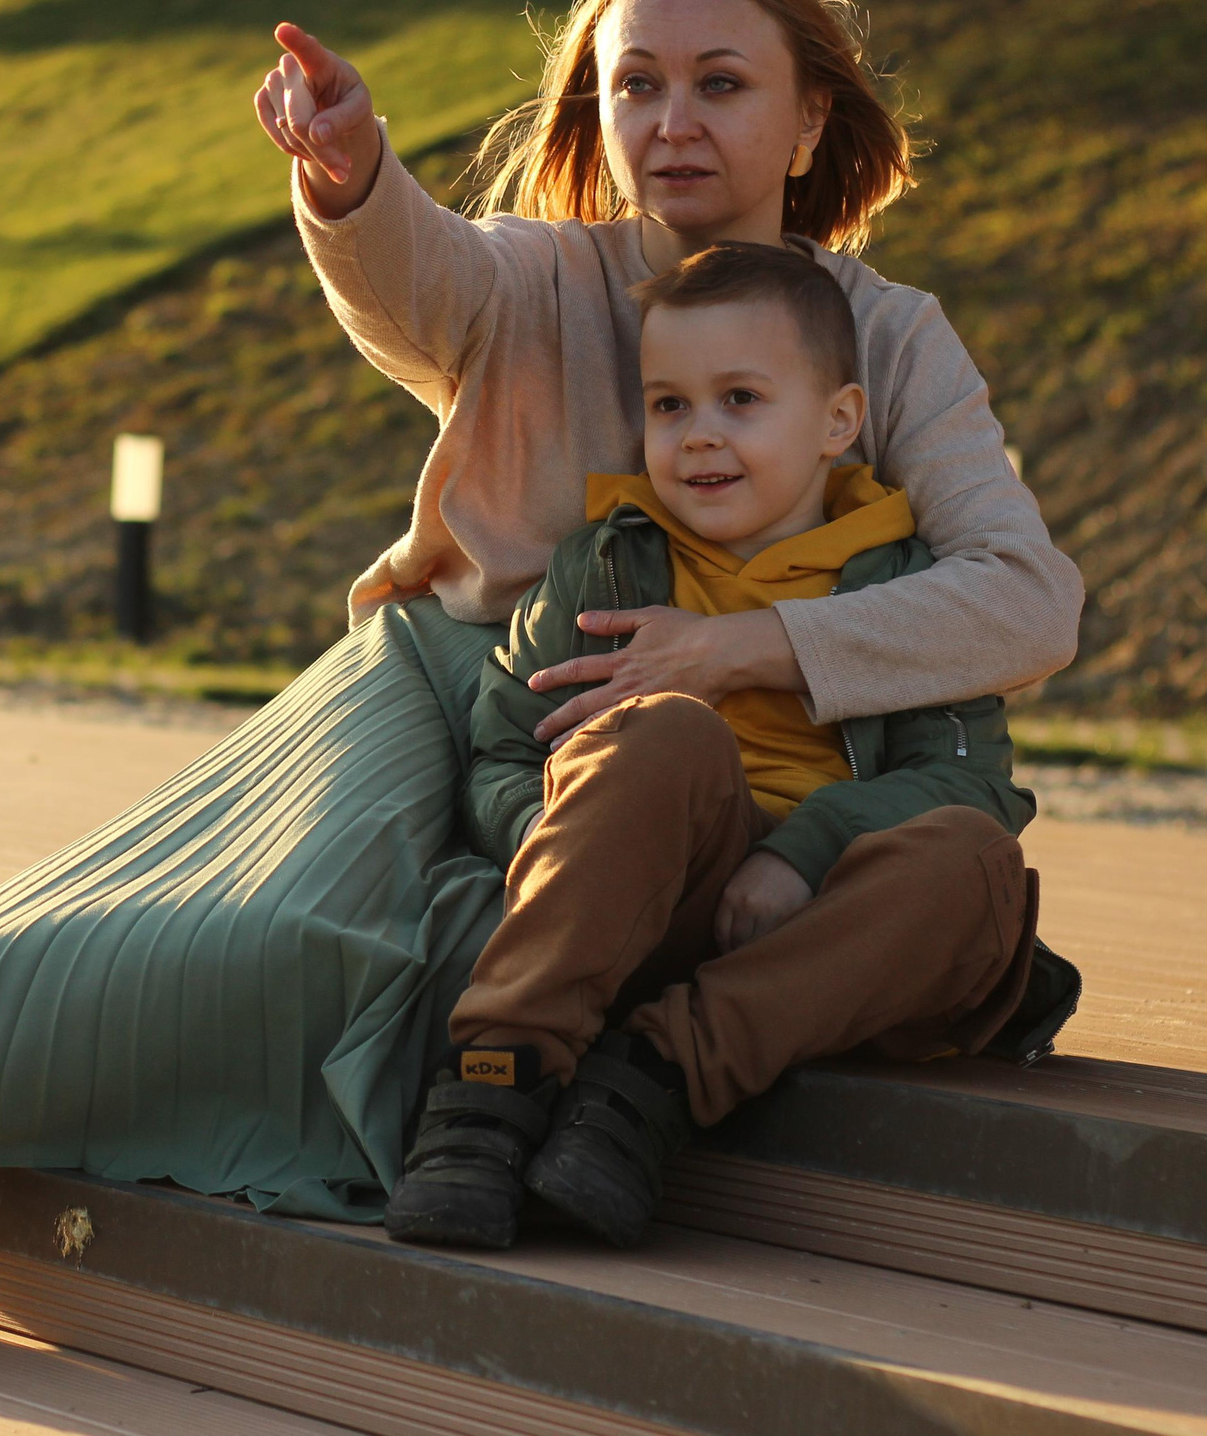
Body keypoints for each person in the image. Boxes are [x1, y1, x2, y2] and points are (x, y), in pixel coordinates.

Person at [0, 0, 1083, 1332]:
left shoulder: (886, 335)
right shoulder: (539, 272)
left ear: (811, 121)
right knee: (221, 913)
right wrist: (353, 175)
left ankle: (532, 1096)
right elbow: (418, 274)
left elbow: (1024, 595)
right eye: (635, 82)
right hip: (459, 685)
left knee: (393, 942)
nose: (672, 119)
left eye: (720, 82)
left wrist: (746, 652)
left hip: (686, 756)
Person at [381, 240, 1056, 1253]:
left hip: (831, 932)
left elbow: (970, 785)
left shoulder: (900, 584)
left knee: (974, 866)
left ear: (838, 422)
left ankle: (655, 1080)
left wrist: (803, 852)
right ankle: (494, 1085)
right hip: (654, 895)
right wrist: (569, 844)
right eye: (669, 405)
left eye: (741, 400)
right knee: (663, 734)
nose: (699, 437)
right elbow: (504, 754)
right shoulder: (605, 568)